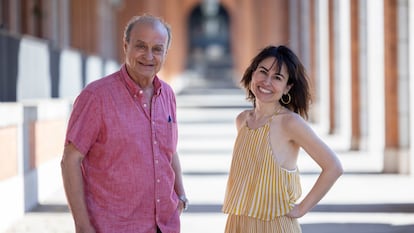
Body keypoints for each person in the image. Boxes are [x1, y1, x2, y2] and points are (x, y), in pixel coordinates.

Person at [61, 14, 188, 233]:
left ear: (166, 52)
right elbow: (70, 160)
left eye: (157, 49)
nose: (149, 56)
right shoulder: (96, 96)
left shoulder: (167, 94)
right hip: (114, 226)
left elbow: (169, 150)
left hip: (165, 225)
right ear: (125, 45)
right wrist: (82, 225)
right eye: (141, 46)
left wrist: (181, 194)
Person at [222, 45, 343, 232]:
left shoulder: (290, 123)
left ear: (287, 87)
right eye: (262, 72)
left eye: (277, 78)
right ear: (252, 74)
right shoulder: (242, 121)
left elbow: (333, 167)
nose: (266, 81)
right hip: (238, 224)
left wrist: (301, 209)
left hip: (274, 226)